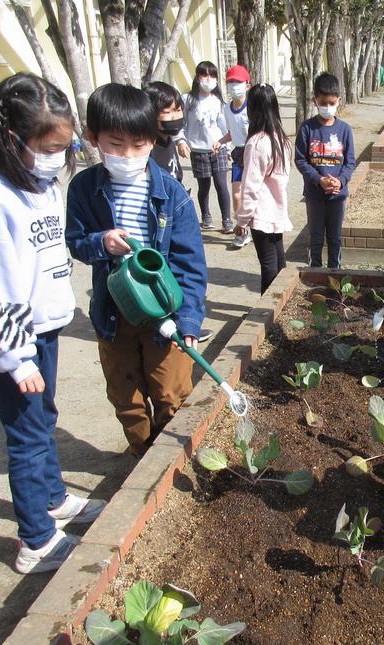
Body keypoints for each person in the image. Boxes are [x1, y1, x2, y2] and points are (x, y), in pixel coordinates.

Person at [0, 73, 106, 574]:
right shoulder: (2, 199)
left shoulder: (39, 185)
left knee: (45, 420)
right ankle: (35, 539)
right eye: (49, 147)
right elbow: (0, 284)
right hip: (17, 340)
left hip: (45, 326)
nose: (58, 157)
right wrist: (16, 358)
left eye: (64, 147)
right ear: (13, 140)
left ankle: (54, 497)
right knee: (25, 434)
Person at [66, 83, 207, 458]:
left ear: (153, 139)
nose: (128, 154)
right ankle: (141, 457)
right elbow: (75, 240)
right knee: (126, 397)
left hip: (166, 312)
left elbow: (190, 263)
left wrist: (190, 321)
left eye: (139, 144)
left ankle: (171, 460)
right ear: (93, 137)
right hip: (114, 314)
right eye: (115, 144)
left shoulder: (171, 193)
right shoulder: (83, 188)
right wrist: (101, 243)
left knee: (171, 393)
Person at [143, 81, 213, 344]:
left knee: (186, 273)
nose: (175, 118)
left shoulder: (169, 141)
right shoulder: (149, 151)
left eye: (177, 111)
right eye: (167, 113)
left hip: (178, 219)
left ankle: (186, 324)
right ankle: (173, 331)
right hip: (163, 226)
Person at [295, 72, 356, 269]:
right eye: (323, 103)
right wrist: (318, 179)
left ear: (339, 99)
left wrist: (341, 181)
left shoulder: (345, 129)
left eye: (331, 103)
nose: (327, 107)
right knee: (315, 237)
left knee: (335, 237)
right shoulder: (307, 128)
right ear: (315, 100)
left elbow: (350, 161)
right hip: (314, 195)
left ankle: (334, 274)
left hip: (337, 196)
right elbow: (300, 160)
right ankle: (315, 273)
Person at [237, 84, 293, 294]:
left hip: (261, 213)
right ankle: (279, 303)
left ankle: (267, 313)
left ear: (252, 110)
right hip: (277, 210)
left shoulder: (257, 142)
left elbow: (250, 186)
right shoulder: (281, 139)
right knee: (279, 262)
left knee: (269, 265)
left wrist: (242, 220)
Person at [180, 61, 233, 233]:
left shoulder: (218, 101)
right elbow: (182, 124)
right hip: (198, 150)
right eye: (204, 75)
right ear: (197, 77)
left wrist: (228, 147)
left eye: (212, 75)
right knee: (204, 186)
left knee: (221, 184)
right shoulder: (187, 99)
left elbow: (224, 127)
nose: (208, 79)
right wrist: (181, 141)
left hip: (218, 148)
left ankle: (227, 220)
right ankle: (206, 217)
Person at [221, 64, 252, 248]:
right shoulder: (227, 108)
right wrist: (221, 142)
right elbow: (232, 133)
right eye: (230, 82)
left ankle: (257, 226)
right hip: (238, 153)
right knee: (237, 194)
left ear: (247, 84)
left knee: (253, 192)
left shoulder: (252, 107)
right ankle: (242, 231)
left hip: (254, 153)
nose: (234, 86)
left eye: (237, 82)